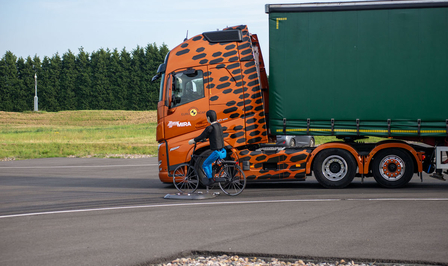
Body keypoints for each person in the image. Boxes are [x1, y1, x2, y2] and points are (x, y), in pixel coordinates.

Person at [188, 110, 226, 186]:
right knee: (208, 161)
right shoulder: (219, 125)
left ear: (208, 118)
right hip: (222, 151)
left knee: (205, 164)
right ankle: (211, 175)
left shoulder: (210, 128)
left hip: (216, 152)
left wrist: (193, 140)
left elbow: (202, 136)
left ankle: (210, 179)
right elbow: (214, 136)